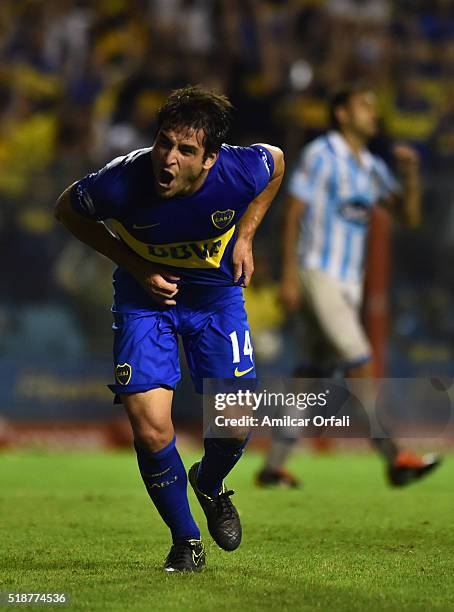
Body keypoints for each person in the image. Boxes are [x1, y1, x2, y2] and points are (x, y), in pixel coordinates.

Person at [55, 86, 284, 571]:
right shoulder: (119, 183)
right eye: (164, 143)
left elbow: (277, 163)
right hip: (145, 303)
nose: (169, 159)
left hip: (215, 299)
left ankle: (209, 483)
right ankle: (186, 542)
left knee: (236, 423)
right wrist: (134, 266)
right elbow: (67, 210)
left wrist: (245, 235)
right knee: (150, 424)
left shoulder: (240, 171)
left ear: (209, 160)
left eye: (186, 151)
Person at [256, 84, 440, 488]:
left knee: (310, 376)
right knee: (359, 357)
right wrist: (289, 273)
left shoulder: (371, 166)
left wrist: (409, 175)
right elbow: (293, 212)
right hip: (315, 272)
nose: (374, 113)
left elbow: (407, 216)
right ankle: (394, 455)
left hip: (346, 284)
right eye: (365, 104)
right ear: (341, 113)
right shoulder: (322, 155)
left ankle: (272, 467)